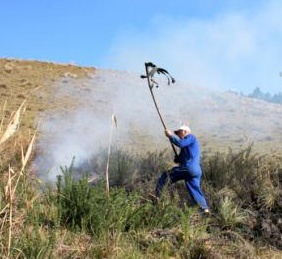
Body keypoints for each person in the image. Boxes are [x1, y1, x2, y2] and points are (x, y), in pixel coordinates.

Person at [155, 125, 210, 214]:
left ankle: (158, 197)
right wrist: (177, 158)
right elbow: (180, 159)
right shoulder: (186, 148)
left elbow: (180, 143)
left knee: (166, 176)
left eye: (179, 133)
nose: (178, 135)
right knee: (194, 189)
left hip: (189, 168)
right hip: (196, 171)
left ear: (185, 132)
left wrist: (170, 136)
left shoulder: (191, 137)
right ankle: (205, 209)